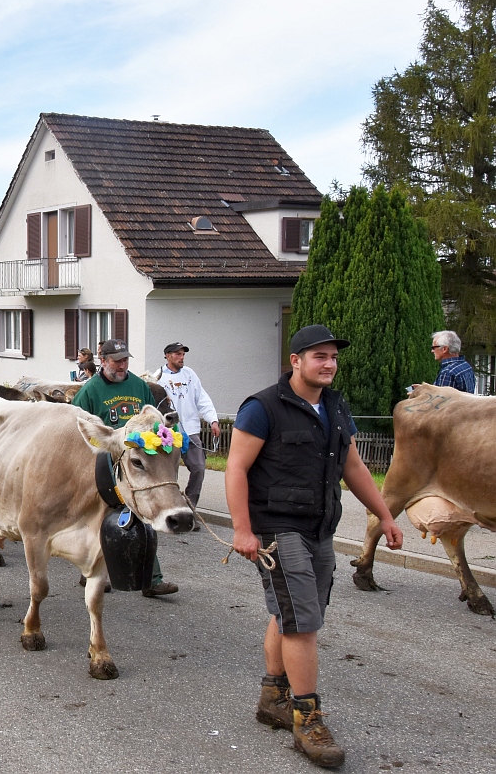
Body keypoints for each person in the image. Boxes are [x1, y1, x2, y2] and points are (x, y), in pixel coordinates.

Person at [225, 324, 403, 768]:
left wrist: (384, 515)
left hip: (320, 527)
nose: (329, 364)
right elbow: (235, 469)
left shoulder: (337, 408)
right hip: (275, 526)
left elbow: (354, 465)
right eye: (319, 356)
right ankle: (307, 717)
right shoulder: (262, 407)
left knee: (292, 612)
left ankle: (272, 696)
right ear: (296, 361)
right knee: (303, 621)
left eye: (333, 357)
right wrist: (243, 529)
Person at [72, 338, 178, 597]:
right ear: (104, 361)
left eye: (125, 360)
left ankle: (151, 579)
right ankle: (93, 572)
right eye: (117, 361)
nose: (122, 365)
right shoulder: (90, 391)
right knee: (100, 519)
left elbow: (152, 419)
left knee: (145, 516)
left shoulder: (139, 385)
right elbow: (77, 431)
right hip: (104, 464)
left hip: (139, 465)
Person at [159, 342, 220, 510]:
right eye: (178, 354)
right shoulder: (159, 377)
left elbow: (202, 398)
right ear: (168, 355)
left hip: (191, 432)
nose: (182, 357)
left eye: (183, 354)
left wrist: (212, 420)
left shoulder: (190, 375)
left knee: (199, 469)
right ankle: (170, 508)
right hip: (169, 433)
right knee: (169, 474)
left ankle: (189, 506)